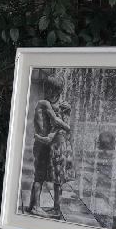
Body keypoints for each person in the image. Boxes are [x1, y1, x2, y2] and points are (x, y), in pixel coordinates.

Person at [27, 75, 73, 218]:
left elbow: (60, 124)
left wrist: (53, 135)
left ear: (58, 91)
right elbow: (55, 123)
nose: (47, 91)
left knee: (54, 178)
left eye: (50, 89)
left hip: (53, 145)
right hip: (44, 144)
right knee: (40, 176)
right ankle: (35, 206)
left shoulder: (60, 105)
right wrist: (64, 128)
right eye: (46, 88)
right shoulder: (44, 103)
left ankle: (51, 208)